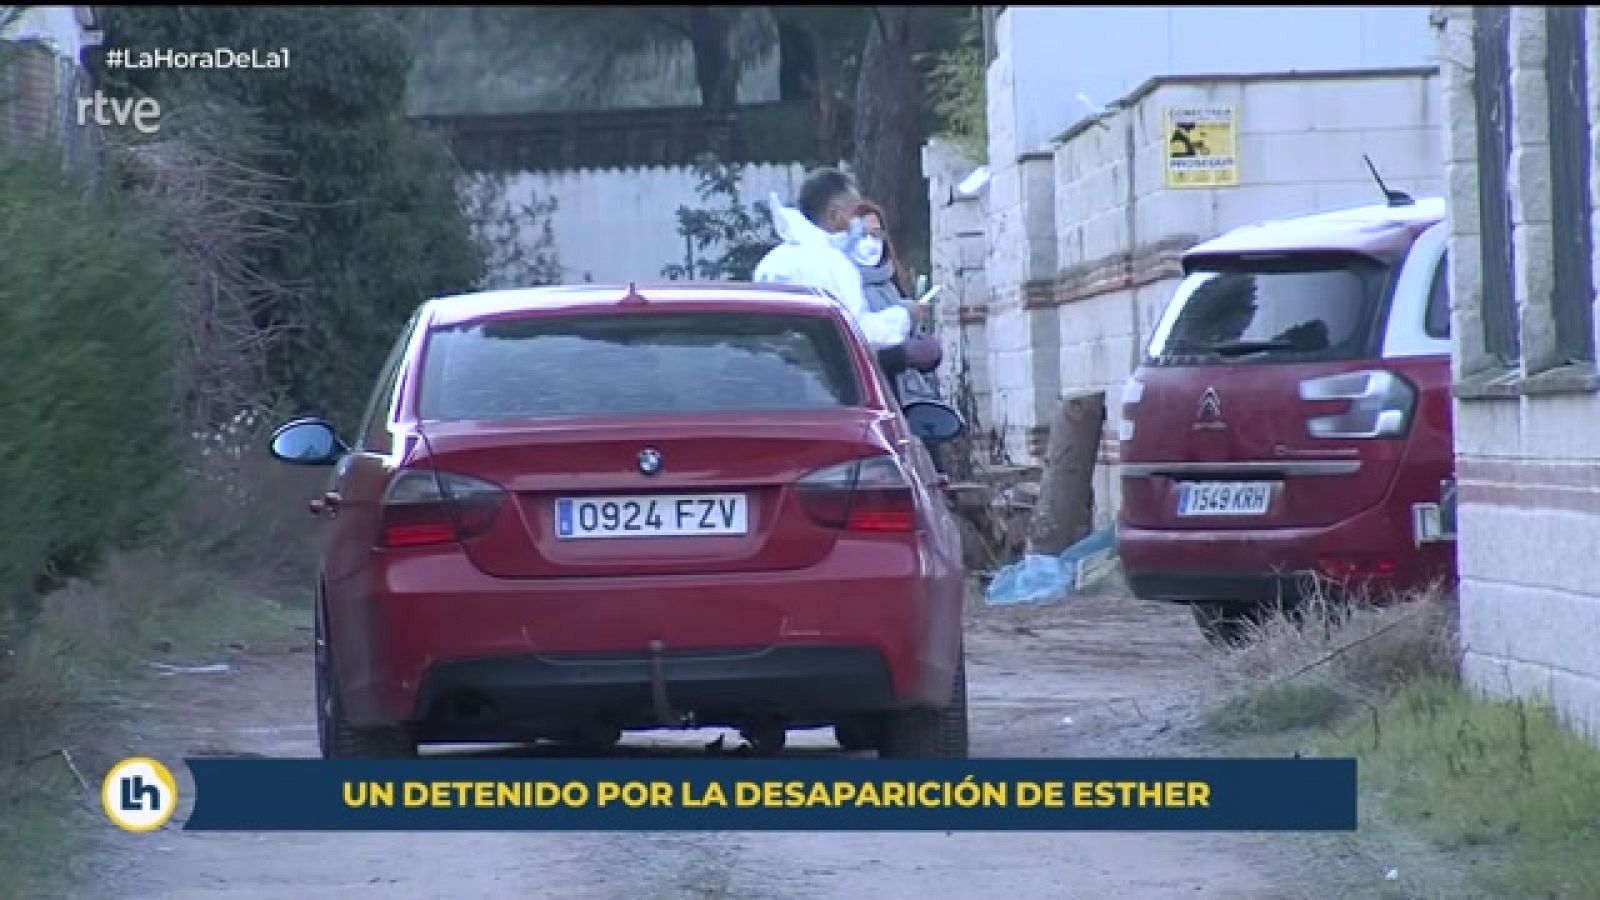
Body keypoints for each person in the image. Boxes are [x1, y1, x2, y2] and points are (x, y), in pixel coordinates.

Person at [753, 167, 939, 378]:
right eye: (855, 213)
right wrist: (906, 314)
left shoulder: (772, 262)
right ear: (834, 215)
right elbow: (857, 335)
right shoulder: (833, 265)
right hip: (828, 387)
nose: (861, 224)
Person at [849, 200, 940, 405]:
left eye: (876, 234)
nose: (870, 243)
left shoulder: (891, 284)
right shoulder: (843, 285)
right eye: (862, 235)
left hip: (906, 398)